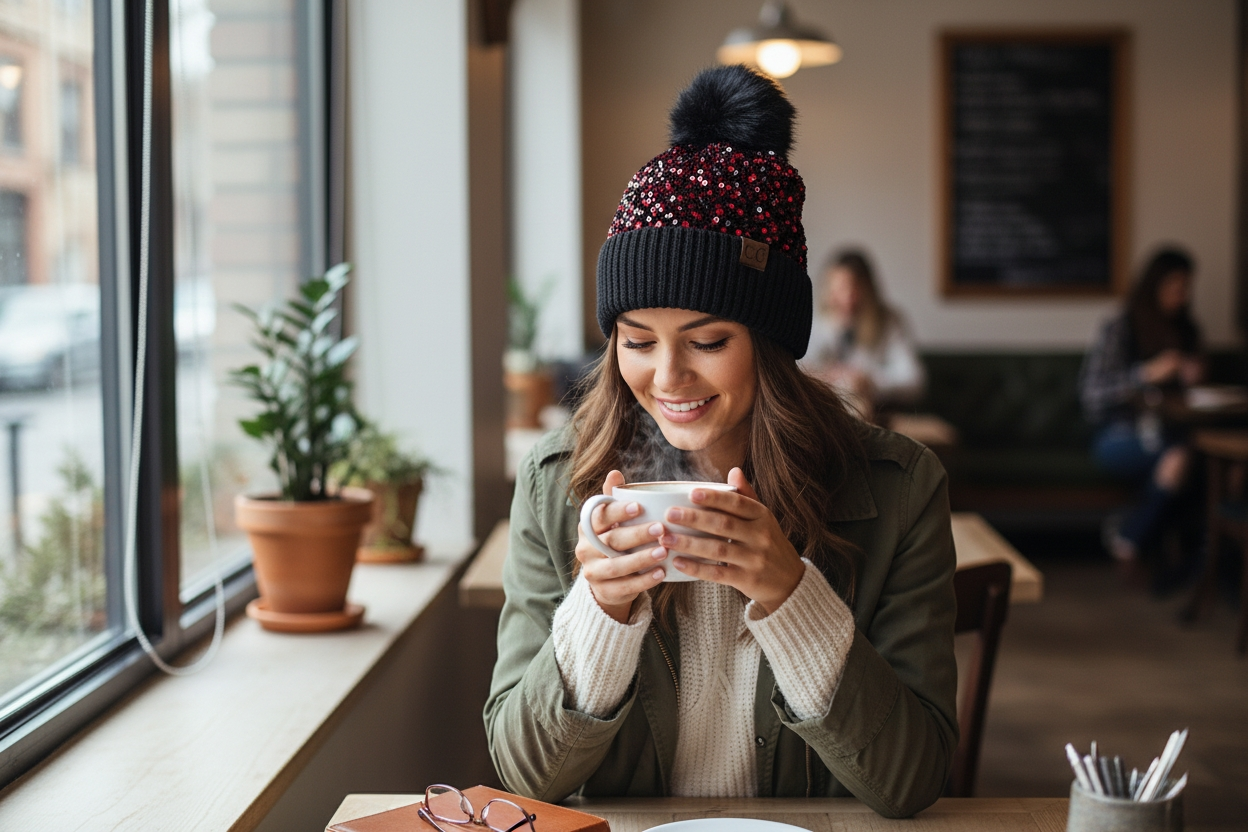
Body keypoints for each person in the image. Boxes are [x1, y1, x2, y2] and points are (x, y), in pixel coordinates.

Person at [484, 66, 957, 819]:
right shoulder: (557, 482)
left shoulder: (900, 489)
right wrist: (600, 613)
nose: (667, 376)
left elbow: (911, 781)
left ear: (770, 343)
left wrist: (790, 594)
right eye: (637, 340)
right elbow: (524, 776)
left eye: (706, 340)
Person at [1079, 247, 1204, 567]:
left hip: (1174, 429)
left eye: (1186, 288)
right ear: (1154, 285)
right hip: (1118, 434)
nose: (1181, 296)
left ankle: (1150, 543)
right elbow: (1092, 394)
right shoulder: (1122, 328)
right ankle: (1131, 542)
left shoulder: (1188, 330)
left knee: (1197, 458)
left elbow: (1194, 399)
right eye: (1174, 287)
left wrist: (1193, 375)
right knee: (1179, 458)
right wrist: (1145, 374)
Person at [802, 249, 925, 415]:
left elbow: (913, 380)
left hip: (877, 412)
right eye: (838, 289)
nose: (845, 298)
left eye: (852, 289)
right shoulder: (816, 323)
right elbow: (803, 369)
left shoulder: (889, 321)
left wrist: (870, 381)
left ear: (867, 290)